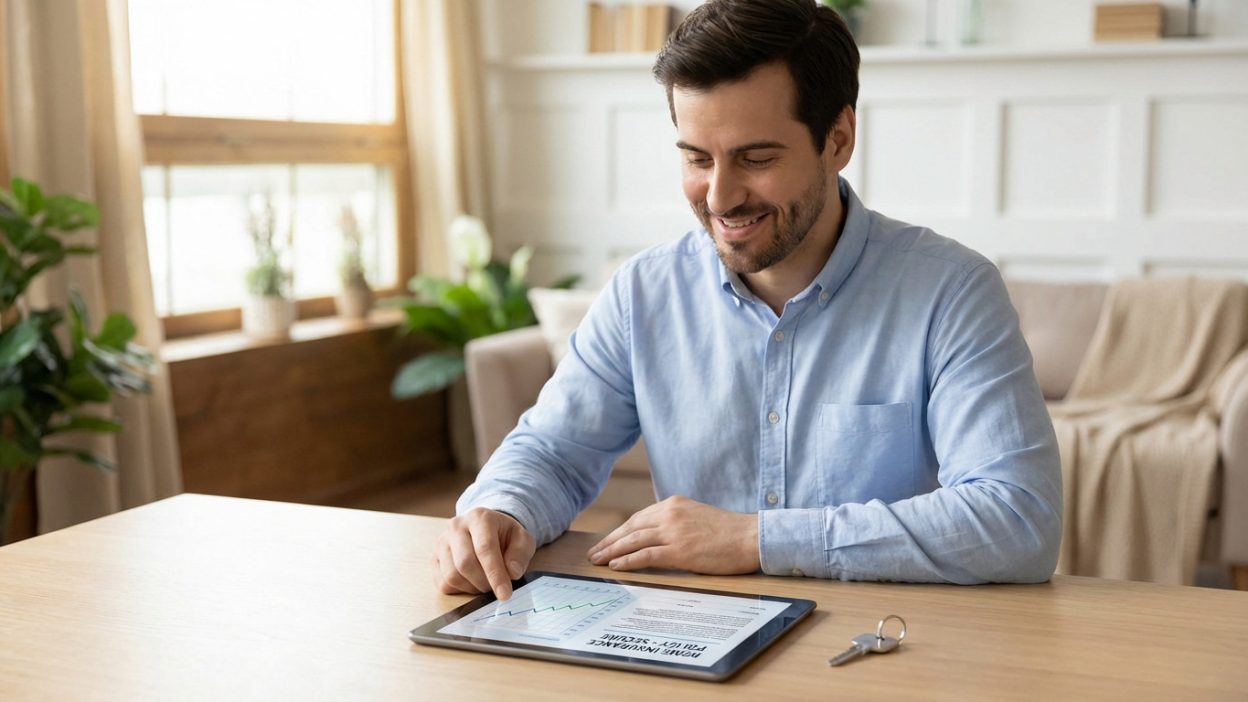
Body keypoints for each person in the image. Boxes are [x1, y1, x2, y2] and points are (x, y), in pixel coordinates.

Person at [432, 0, 1062, 600]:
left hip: (887, 645)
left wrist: (756, 539)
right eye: (697, 158)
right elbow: (553, 450)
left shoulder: (952, 292)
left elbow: (1018, 521)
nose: (719, 197)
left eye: (756, 158)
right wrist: (502, 508)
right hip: (699, 644)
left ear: (838, 138)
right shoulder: (643, 294)